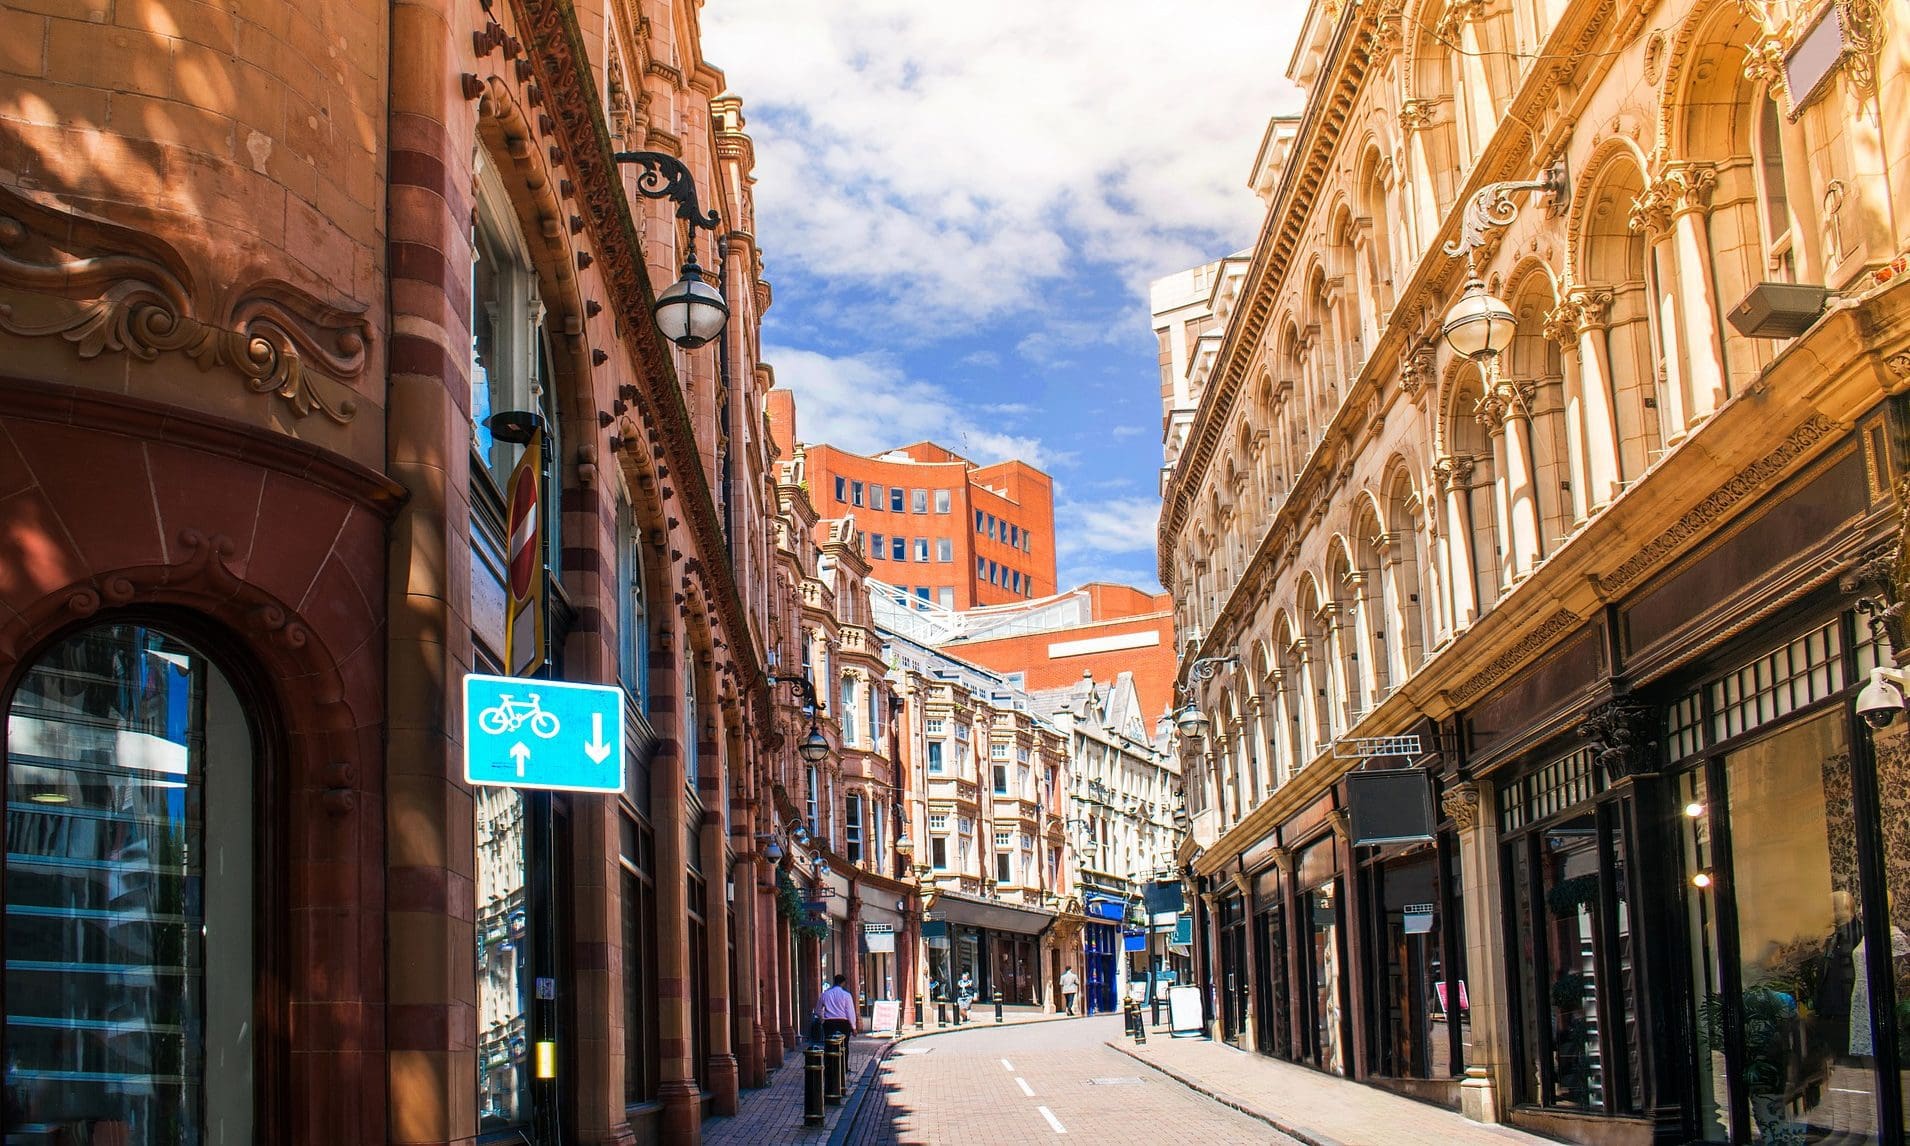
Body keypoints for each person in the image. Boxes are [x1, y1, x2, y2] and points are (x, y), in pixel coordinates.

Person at [816, 974, 857, 1045]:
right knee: (844, 1045)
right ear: (843, 983)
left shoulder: (825, 994)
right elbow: (850, 1012)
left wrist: (822, 1018)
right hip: (843, 1023)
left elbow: (818, 1010)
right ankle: (844, 1056)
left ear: (834, 982)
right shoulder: (846, 995)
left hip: (829, 1023)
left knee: (829, 1045)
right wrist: (853, 1027)